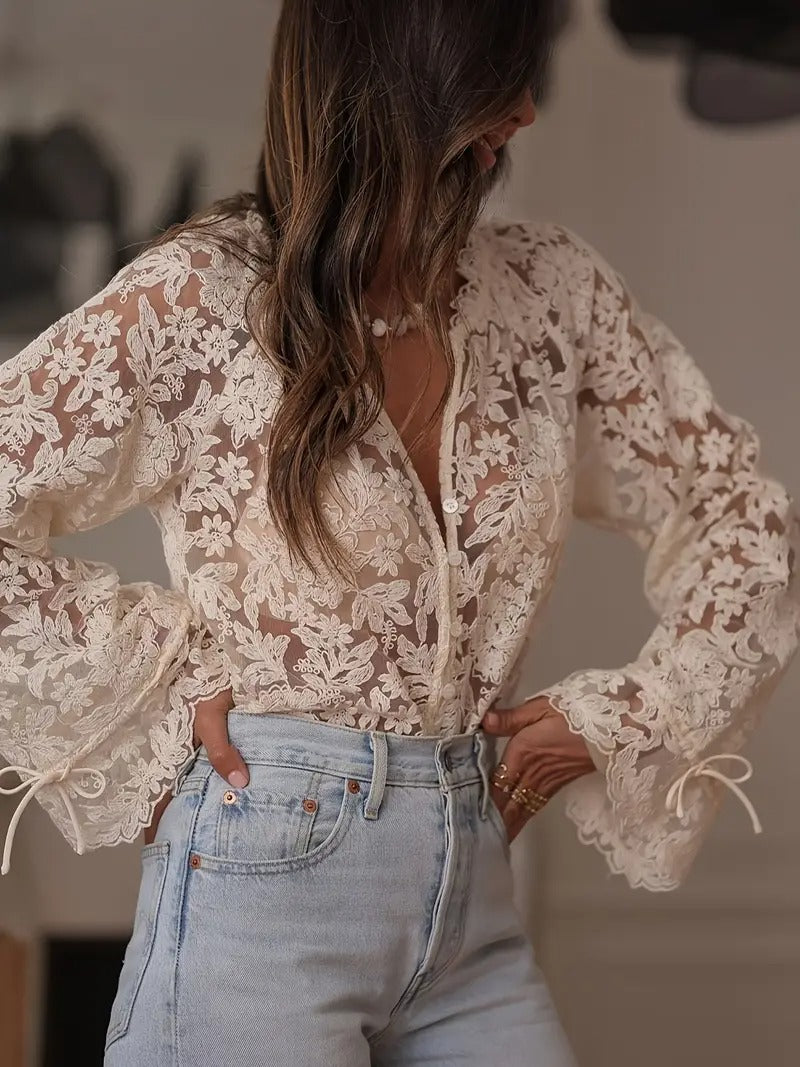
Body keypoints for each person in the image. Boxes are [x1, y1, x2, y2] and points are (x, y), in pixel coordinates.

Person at [0, 1, 797, 1063]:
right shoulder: (197, 298)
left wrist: (632, 712)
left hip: (469, 899)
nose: (520, 110)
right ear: (394, 81)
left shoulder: (549, 293)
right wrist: (157, 677)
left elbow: (739, 510)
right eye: (491, 75)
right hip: (259, 891)